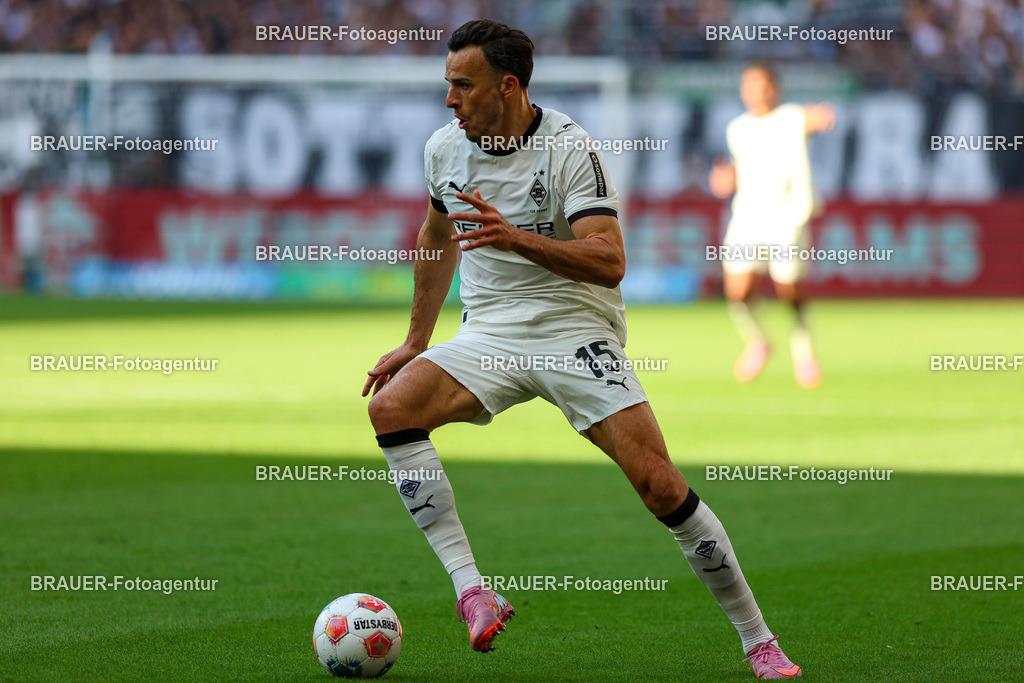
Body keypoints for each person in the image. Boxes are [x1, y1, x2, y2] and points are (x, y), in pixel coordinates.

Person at [364, 20, 802, 678]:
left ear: (507, 87)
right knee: (391, 409)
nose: (450, 100)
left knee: (659, 485)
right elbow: (437, 234)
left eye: (464, 85)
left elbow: (609, 259)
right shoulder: (442, 150)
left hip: (575, 328)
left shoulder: (570, 148)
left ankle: (758, 638)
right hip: (489, 332)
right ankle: (472, 590)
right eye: (448, 85)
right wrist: (416, 340)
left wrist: (516, 239)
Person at [709, 62, 835, 388]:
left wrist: (823, 116)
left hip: (787, 217)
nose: (757, 92)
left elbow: (813, 115)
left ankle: (804, 352)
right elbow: (743, 168)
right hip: (748, 217)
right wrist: (727, 180)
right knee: (738, 291)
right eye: (750, 86)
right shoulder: (737, 128)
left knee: (789, 291)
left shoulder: (790, 118)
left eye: (763, 86)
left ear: (775, 89)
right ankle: (760, 342)